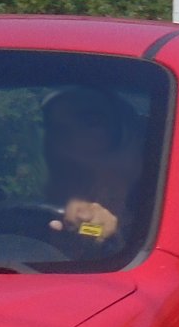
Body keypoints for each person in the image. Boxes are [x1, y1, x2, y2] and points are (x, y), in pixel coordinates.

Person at [40, 87, 140, 246]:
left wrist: (99, 232)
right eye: (58, 129)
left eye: (92, 123)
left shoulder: (158, 224)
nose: (73, 140)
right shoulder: (28, 220)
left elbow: (96, 232)